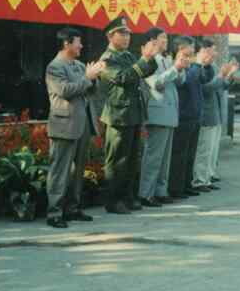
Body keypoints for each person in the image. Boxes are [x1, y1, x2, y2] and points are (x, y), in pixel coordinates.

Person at [44, 28, 105, 228]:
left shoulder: (79, 65)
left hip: (83, 123)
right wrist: (87, 77)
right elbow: (64, 91)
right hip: (64, 124)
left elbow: (90, 90)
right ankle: (54, 213)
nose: (81, 46)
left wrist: (94, 77)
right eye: (78, 42)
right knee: (60, 170)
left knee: (78, 170)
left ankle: (73, 208)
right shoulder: (55, 67)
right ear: (66, 44)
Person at [98, 16, 159, 215]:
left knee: (132, 159)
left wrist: (149, 58)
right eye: (122, 34)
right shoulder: (107, 59)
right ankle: (113, 201)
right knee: (117, 160)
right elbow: (122, 77)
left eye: (128, 34)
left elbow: (145, 72)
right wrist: (143, 60)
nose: (126, 38)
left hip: (132, 113)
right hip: (118, 115)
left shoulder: (127, 56)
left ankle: (127, 197)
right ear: (110, 36)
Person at [139, 28, 190, 207]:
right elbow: (157, 83)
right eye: (162, 38)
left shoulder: (167, 59)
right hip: (157, 112)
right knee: (153, 157)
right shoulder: (149, 60)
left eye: (166, 38)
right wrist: (174, 68)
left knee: (164, 158)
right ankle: (146, 193)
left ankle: (161, 190)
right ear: (153, 41)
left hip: (169, 113)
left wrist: (180, 68)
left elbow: (179, 82)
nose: (166, 41)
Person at [192, 41, 237, 191]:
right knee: (204, 150)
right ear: (202, 52)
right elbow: (206, 89)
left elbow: (221, 86)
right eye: (211, 51)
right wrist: (221, 76)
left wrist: (228, 75)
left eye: (214, 52)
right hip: (206, 114)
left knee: (212, 150)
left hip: (215, 113)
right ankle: (199, 179)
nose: (214, 55)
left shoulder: (212, 67)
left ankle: (208, 176)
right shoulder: (197, 69)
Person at [169, 36, 210, 199]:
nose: (193, 51)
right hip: (183, 114)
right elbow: (186, 81)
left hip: (194, 114)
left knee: (190, 154)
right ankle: (176, 188)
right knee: (179, 154)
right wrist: (198, 64)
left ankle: (186, 184)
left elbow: (204, 79)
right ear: (180, 47)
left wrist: (204, 65)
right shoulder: (178, 64)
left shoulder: (192, 65)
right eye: (190, 47)